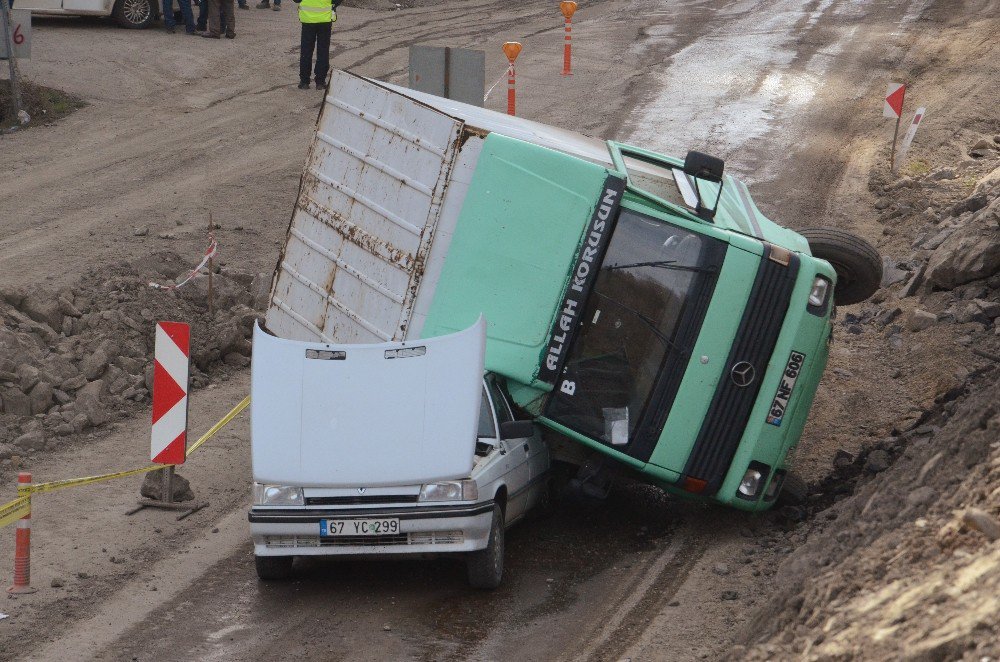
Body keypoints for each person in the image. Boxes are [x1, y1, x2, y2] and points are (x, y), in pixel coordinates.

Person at [293, 0, 339, 89]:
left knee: (306, 51)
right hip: (325, 19)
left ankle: (304, 82)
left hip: (308, 19)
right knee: (323, 51)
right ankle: (320, 82)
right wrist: (333, 5)